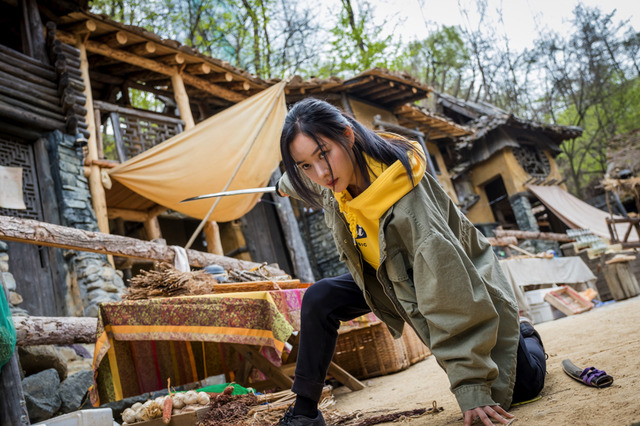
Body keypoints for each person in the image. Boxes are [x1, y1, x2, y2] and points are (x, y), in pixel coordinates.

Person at [274, 98, 546, 426]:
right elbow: (316, 184)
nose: (319, 173)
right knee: (320, 299)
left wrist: (471, 386)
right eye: (305, 165)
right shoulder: (337, 178)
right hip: (393, 277)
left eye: (323, 154)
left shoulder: (409, 205)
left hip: (455, 285)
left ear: (347, 135)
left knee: (519, 387)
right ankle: (304, 414)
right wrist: (287, 183)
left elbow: (451, 294)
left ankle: (524, 332)